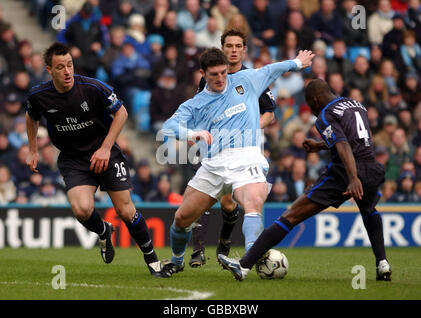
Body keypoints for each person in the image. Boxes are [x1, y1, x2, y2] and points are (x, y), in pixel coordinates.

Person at [218, 79, 392, 282]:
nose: (311, 111)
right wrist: (320, 145)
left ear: (315, 99)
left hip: (345, 173)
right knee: (369, 211)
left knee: (291, 215)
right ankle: (382, 264)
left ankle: (243, 266)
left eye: (310, 105)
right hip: (371, 167)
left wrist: (353, 178)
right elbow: (360, 138)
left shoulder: (325, 115)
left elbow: (344, 145)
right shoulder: (356, 105)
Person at [25, 42, 173, 278]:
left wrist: (105, 148)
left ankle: (153, 261)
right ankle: (104, 231)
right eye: (60, 67)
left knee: (125, 211)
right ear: (48, 70)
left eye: (70, 65)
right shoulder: (39, 95)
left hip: (105, 153)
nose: (67, 71)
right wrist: (33, 149)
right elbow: (31, 116)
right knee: (82, 210)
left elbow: (122, 112)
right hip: (74, 158)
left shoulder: (92, 87)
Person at [161, 47, 314, 273]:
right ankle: (176, 261)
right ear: (203, 74)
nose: (221, 78)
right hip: (214, 162)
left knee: (253, 202)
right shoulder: (197, 103)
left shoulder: (246, 80)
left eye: (223, 72)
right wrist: (193, 134)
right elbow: (169, 127)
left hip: (247, 156)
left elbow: (272, 69)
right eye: (214, 74)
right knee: (182, 218)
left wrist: (297, 62)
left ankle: (247, 262)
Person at [189, 29, 277, 267]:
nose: (234, 50)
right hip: (213, 146)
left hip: (243, 150)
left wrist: (249, 128)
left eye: (238, 46)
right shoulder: (208, 77)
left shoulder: (252, 77)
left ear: (244, 50)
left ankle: (225, 242)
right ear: (222, 48)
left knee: (228, 203)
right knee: (205, 195)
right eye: (229, 46)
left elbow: (269, 113)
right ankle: (197, 251)